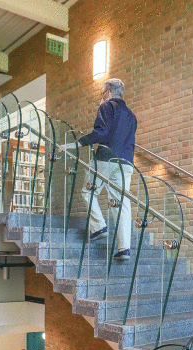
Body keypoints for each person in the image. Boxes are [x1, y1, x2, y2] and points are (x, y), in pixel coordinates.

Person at [60, 78, 137, 260]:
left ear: (108, 92)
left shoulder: (107, 107)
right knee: (122, 205)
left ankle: (99, 226)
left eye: (103, 94)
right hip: (126, 164)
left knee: (88, 192)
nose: (102, 98)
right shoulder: (131, 115)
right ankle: (124, 248)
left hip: (105, 159)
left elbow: (101, 133)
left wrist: (78, 143)